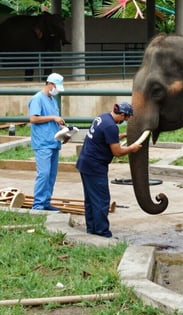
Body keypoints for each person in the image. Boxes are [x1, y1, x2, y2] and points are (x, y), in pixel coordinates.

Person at [76, 102, 143, 238]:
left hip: (85, 163)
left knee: (90, 199)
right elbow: (117, 152)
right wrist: (132, 148)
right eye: (126, 118)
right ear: (122, 114)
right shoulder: (111, 126)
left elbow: (104, 137)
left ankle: (92, 229)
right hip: (95, 167)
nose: (125, 121)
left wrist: (122, 136)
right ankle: (102, 232)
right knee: (101, 200)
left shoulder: (102, 118)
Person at [28, 72, 66, 211]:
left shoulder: (52, 100)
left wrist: (63, 129)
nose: (56, 90)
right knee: (43, 174)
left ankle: (45, 202)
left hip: (53, 142)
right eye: (56, 86)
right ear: (50, 84)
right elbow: (33, 119)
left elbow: (53, 120)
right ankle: (38, 205)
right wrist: (53, 118)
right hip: (43, 143)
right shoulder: (37, 99)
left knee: (51, 175)